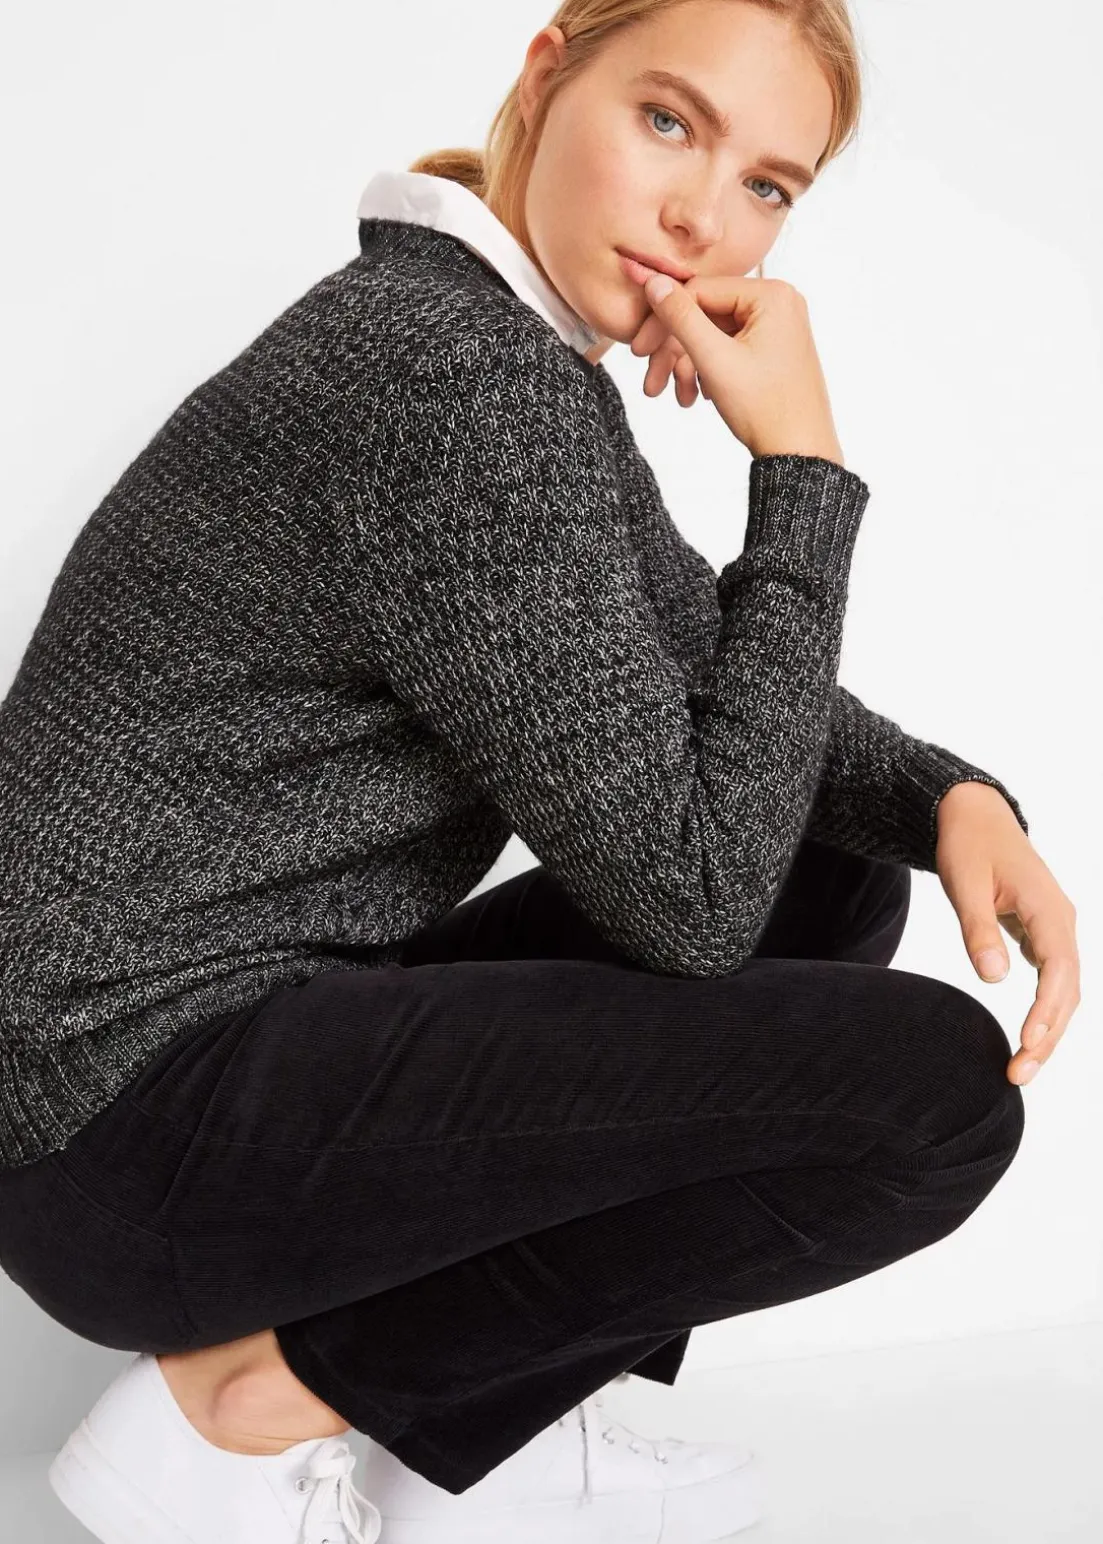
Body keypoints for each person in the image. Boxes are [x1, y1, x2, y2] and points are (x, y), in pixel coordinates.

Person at [0, 2, 1079, 1541]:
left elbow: (709, 675)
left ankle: (476, 1416)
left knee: (822, 854)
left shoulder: (478, 341)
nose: (701, 215)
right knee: (933, 1109)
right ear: (548, 69)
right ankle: (256, 1411)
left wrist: (946, 798)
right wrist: (804, 476)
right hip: (124, 1143)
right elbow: (690, 908)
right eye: (667, 121)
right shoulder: (458, 383)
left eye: (766, 185)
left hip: (145, 1090)